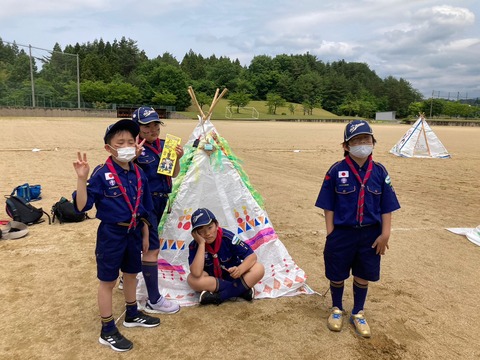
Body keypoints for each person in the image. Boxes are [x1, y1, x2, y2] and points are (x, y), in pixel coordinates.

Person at [73, 119, 160, 352]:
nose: (126, 146)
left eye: (130, 141)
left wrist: (144, 234)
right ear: (109, 148)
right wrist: (82, 179)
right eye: (120, 142)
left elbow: (144, 209)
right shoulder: (102, 174)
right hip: (111, 234)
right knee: (109, 281)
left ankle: (132, 314)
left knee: (132, 273)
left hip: (133, 232)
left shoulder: (138, 173)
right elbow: (82, 207)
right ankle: (107, 328)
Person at [314, 120, 400, 338]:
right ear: (346, 146)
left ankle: (358, 312)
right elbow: (328, 205)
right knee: (337, 272)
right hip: (342, 233)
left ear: (373, 142)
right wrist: (331, 232)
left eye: (366, 139)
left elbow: (387, 205)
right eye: (356, 140)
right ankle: (336, 308)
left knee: (363, 274)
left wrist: (385, 233)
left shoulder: (380, 172)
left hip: (371, 235)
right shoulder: (336, 170)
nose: (362, 143)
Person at [130, 106, 183, 314]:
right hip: (145, 203)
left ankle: (126, 276)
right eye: (146, 126)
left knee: (142, 242)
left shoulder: (164, 145)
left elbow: (174, 173)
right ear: (137, 128)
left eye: (155, 125)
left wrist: (177, 158)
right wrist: (132, 156)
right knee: (151, 247)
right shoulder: (134, 147)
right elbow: (127, 173)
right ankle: (153, 298)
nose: (153, 130)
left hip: (162, 200)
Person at [187, 208, 265, 305]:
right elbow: (196, 273)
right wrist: (201, 245)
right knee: (191, 279)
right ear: (195, 234)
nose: (207, 233)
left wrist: (240, 269)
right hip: (214, 282)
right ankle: (241, 290)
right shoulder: (194, 245)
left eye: (210, 227)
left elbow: (252, 256)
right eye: (201, 231)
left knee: (259, 268)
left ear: (217, 225)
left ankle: (219, 297)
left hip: (235, 276)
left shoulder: (228, 237)